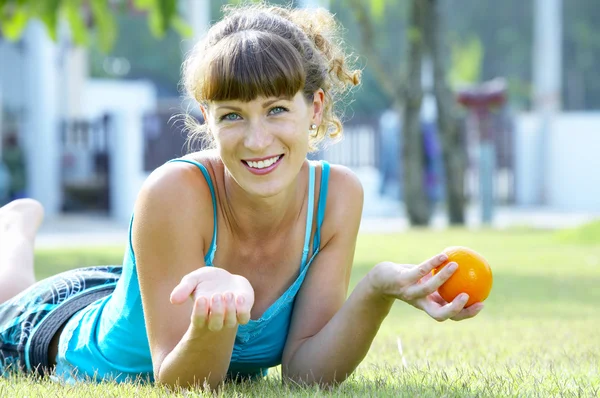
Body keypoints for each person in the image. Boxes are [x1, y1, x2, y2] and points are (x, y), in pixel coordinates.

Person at [0, 3, 484, 389]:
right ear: (207, 119)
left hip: (128, 293)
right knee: (11, 294)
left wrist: (378, 289)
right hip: (50, 329)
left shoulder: (337, 197)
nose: (256, 140)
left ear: (314, 108)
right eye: (232, 115)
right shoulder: (174, 192)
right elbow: (181, 383)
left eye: (276, 109)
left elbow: (305, 374)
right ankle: (13, 233)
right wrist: (218, 321)